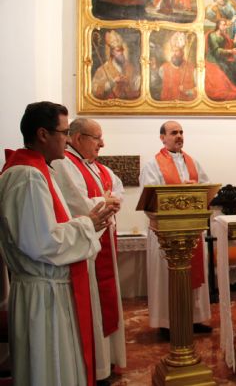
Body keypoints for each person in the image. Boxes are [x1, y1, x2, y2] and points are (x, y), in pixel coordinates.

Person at [0, 101, 114, 386]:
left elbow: (43, 231)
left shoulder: (37, 170)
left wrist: (86, 221)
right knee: (50, 370)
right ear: (42, 134)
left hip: (46, 289)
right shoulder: (27, 176)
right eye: (63, 132)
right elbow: (42, 243)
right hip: (43, 295)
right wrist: (88, 224)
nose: (67, 139)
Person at [51, 118, 127, 384]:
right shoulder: (64, 165)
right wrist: (105, 201)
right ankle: (98, 366)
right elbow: (79, 206)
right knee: (94, 306)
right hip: (87, 250)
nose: (102, 144)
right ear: (78, 138)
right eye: (97, 138)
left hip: (102, 243)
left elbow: (116, 193)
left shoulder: (94, 167)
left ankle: (108, 360)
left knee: (106, 303)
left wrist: (108, 201)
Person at [139, 121, 212, 338]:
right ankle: (167, 322)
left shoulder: (193, 162)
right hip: (165, 233)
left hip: (192, 230)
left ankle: (195, 319)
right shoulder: (153, 165)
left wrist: (197, 189)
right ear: (162, 137)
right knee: (166, 278)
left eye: (181, 132)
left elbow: (206, 190)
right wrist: (183, 191)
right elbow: (150, 198)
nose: (179, 136)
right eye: (173, 133)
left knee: (195, 277)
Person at [92, 30, 141, 100]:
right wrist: (113, 82)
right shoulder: (103, 70)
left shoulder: (129, 67)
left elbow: (136, 84)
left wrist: (138, 81)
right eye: (118, 50)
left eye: (122, 50)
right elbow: (95, 90)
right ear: (112, 53)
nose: (121, 53)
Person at [205, 19, 236, 100]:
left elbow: (231, 43)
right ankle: (229, 88)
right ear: (218, 26)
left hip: (221, 57)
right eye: (223, 25)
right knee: (225, 67)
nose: (225, 27)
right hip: (213, 59)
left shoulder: (223, 36)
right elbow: (216, 51)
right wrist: (231, 51)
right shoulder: (212, 36)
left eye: (226, 25)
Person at [159, 31, 196, 101]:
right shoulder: (163, 68)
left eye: (177, 51)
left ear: (182, 52)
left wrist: (187, 91)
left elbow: (199, 90)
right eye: (173, 50)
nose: (174, 54)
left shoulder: (192, 69)